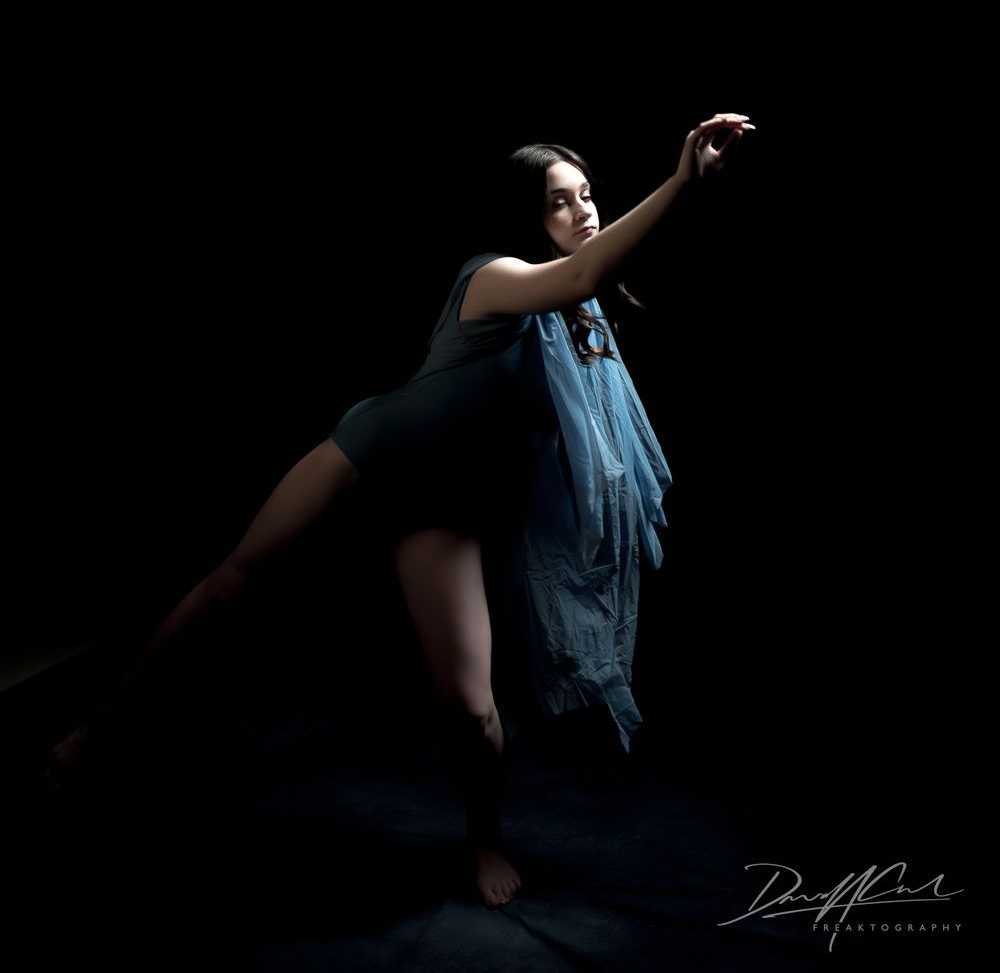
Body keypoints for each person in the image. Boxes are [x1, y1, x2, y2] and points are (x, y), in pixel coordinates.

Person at [43, 113, 754, 908]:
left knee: (475, 708)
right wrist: (684, 183)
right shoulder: (494, 274)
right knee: (230, 586)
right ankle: (99, 731)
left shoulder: (579, 326)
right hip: (369, 452)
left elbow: (567, 397)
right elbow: (582, 275)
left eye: (588, 195)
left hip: (438, 506)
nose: (584, 212)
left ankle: (482, 839)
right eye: (561, 202)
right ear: (526, 216)